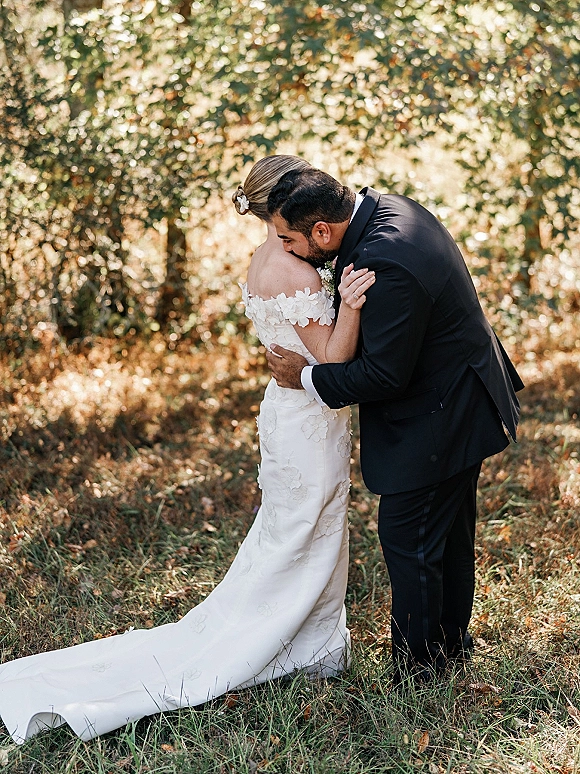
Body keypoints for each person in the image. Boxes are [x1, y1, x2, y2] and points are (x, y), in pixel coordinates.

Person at [0, 156, 374, 744]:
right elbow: (330, 362)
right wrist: (350, 305)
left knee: (304, 529)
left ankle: (316, 641)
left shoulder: (267, 257)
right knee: (304, 529)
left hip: (292, 414)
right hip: (305, 416)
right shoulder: (296, 272)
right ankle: (281, 645)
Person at [265, 166, 524, 681]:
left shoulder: (386, 261)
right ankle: (449, 646)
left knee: (411, 538)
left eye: (289, 239)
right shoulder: (388, 210)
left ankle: (419, 672)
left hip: (440, 414)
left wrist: (307, 377)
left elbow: (383, 375)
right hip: (461, 393)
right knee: (447, 535)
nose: (286, 251)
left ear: (322, 230)